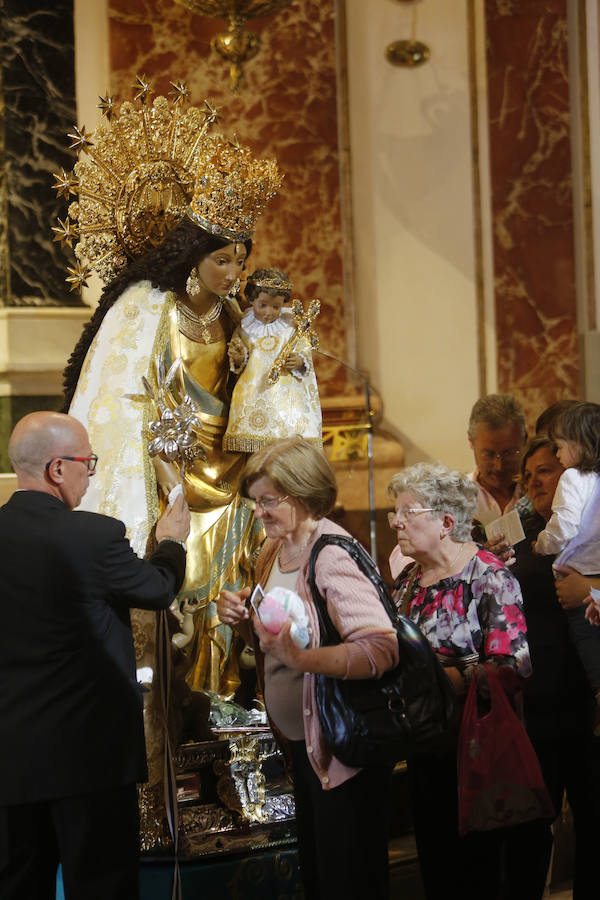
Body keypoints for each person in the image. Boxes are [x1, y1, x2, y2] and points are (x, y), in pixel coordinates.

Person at [0, 411, 190, 900]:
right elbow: (158, 589)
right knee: (102, 887)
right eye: (89, 462)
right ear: (58, 469)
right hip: (89, 758)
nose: (92, 473)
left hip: (11, 758)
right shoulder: (93, 536)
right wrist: (171, 541)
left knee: (19, 885)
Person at [217, 436, 398, 900]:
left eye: (267, 501)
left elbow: (380, 649)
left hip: (344, 744)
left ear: (300, 494)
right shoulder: (271, 553)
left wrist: (301, 660)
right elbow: (273, 643)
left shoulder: (331, 553)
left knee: (348, 877)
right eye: (254, 501)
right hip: (305, 742)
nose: (258, 512)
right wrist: (242, 620)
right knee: (319, 875)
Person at [389, 462, 531, 900]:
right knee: (438, 870)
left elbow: (514, 665)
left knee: (478, 874)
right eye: (396, 512)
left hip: (476, 748)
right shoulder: (408, 581)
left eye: (409, 512)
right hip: (424, 743)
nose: (396, 521)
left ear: (447, 522)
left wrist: (447, 678)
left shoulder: (487, 575)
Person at [506, 434, 600, 900]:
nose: (534, 482)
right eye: (528, 475)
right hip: (537, 712)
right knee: (529, 835)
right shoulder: (521, 540)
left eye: (545, 470)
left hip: (591, 708)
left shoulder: (595, 532)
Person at [533, 402, 600, 725]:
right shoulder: (591, 477)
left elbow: (565, 527)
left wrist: (542, 544)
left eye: (557, 449)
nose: (558, 459)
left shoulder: (575, 478)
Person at [223, 267, 322, 452]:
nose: (269, 312)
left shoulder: (291, 324)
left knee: (286, 451)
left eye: (276, 306)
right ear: (252, 300)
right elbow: (239, 353)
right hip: (254, 391)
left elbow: (304, 347)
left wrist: (299, 361)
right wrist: (238, 358)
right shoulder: (245, 326)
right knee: (257, 452)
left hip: (286, 396)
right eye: (263, 305)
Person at [467, 393, 528, 526]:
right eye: (489, 454)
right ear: (471, 440)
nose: (499, 466)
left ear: (524, 440)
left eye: (509, 453)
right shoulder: (457, 497)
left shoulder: (538, 491)